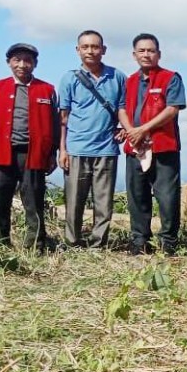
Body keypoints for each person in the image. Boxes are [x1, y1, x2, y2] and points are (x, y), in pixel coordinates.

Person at [0, 43, 59, 251]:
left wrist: (52, 154)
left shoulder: (47, 89)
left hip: (33, 154)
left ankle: (36, 245)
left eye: (27, 60)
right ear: (9, 63)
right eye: (17, 60)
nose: (22, 64)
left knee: (33, 201)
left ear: (35, 64)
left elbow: (55, 125)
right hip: (2, 153)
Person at [118, 33, 187, 255]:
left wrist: (143, 129)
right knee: (137, 195)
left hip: (162, 147)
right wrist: (131, 131)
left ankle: (168, 242)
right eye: (142, 50)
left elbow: (172, 108)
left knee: (167, 197)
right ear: (134, 54)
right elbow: (120, 108)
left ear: (159, 53)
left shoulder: (170, 78)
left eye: (151, 50)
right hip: (135, 148)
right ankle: (140, 241)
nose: (146, 54)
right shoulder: (128, 81)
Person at [58, 30, 127, 249]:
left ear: (103, 50)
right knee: (74, 202)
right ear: (78, 50)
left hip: (107, 148)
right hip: (77, 148)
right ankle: (73, 243)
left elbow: (123, 109)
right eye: (85, 47)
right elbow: (63, 117)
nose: (90, 51)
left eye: (95, 47)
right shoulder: (70, 78)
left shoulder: (117, 77)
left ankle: (98, 244)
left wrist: (123, 129)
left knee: (104, 203)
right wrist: (63, 149)